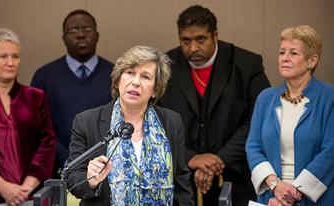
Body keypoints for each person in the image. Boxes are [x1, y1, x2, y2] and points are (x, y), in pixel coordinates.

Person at [158, 5, 271, 205]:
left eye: (201, 39)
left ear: (215, 35)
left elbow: (259, 118)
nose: (193, 48)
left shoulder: (247, 64)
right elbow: (151, 121)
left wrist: (219, 160)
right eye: (186, 40)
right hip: (179, 181)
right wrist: (189, 157)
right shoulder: (164, 67)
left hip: (237, 179)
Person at [67, 46, 194, 205]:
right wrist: (90, 179)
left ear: (155, 90)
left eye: (146, 77)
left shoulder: (172, 122)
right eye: (130, 73)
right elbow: (72, 178)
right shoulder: (86, 121)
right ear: (118, 80)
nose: (135, 82)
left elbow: (181, 181)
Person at [0, 28, 56, 205]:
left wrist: (26, 189)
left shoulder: (36, 97)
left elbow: (48, 143)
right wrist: (4, 188)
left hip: (30, 195)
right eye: (3, 56)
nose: (10, 62)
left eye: (15, 56)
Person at [246, 25, 334, 206]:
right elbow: (253, 147)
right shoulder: (265, 98)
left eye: (293, 53)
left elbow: (330, 152)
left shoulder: (330, 98)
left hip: (314, 199)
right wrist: (275, 185)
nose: (285, 58)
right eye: (281, 52)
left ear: (312, 61)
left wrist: (292, 193)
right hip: (271, 198)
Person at [31, 9, 113, 177]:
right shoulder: (44, 77)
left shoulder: (116, 75)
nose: (81, 35)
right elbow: (39, 128)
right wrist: (68, 159)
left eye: (87, 29)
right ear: (64, 38)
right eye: (73, 31)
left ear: (97, 35)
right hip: (58, 171)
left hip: (109, 168)